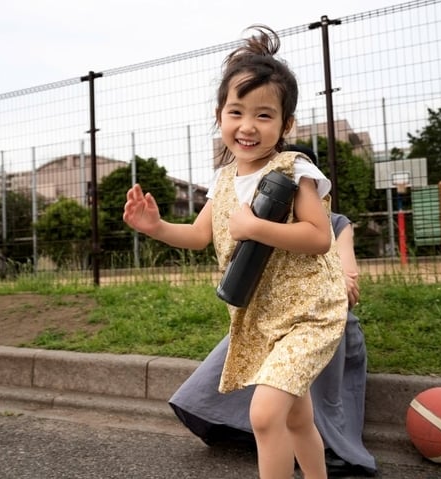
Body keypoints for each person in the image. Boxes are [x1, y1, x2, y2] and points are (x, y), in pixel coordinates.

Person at [123, 25, 347, 479]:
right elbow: (200, 235)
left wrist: (257, 227)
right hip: (264, 318)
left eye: (264, 116)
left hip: (310, 313)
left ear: (286, 125)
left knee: (265, 415)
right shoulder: (225, 180)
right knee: (296, 417)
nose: (247, 126)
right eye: (236, 112)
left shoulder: (293, 170)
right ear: (219, 115)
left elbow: (319, 237)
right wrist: (157, 226)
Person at [168, 209, 378, 477]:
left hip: (319, 316)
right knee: (284, 406)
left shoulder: (334, 223)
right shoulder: (262, 211)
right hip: (276, 317)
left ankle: (330, 443)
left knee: (278, 412)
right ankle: (254, 431)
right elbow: (204, 237)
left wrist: (334, 280)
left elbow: (348, 279)